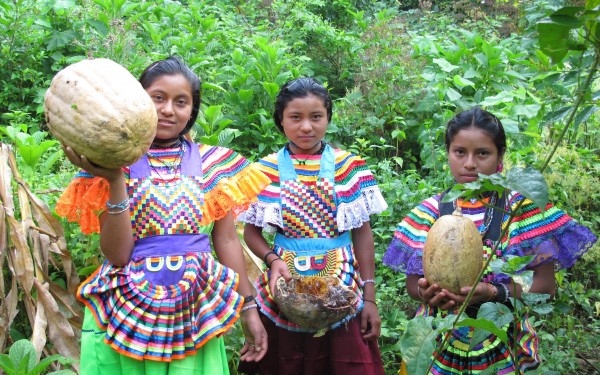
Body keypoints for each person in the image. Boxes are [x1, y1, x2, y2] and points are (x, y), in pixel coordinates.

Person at [55, 56, 271, 374]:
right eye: (158, 98)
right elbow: (118, 255)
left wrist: (248, 306)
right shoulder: (110, 165)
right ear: (136, 101)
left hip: (193, 311)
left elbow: (226, 240)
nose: (169, 109)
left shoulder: (216, 164)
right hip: (127, 310)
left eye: (181, 102)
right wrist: (115, 180)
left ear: (193, 110)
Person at [383, 107, 598, 374]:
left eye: (482, 153)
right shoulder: (429, 213)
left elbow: (545, 287)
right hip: (438, 343)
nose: (470, 163)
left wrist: (495, 293)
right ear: (448, 153)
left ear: (500, 156)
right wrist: (426, 294)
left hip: (504, 342)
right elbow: (413, 285)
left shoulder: (521, 210)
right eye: (460, 152)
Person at [237, 77, 388, 375]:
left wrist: (369, 297)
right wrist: (273, 259)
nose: (306, 127)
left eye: (316, 117)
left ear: (328, 118)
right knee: (286, 360)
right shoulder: (264, 171)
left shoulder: (350, 168)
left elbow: (362, 233)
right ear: (281, 121)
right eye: (295, 117)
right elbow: (251, 233)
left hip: (343, 281)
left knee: (347, 361)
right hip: (285, 282)